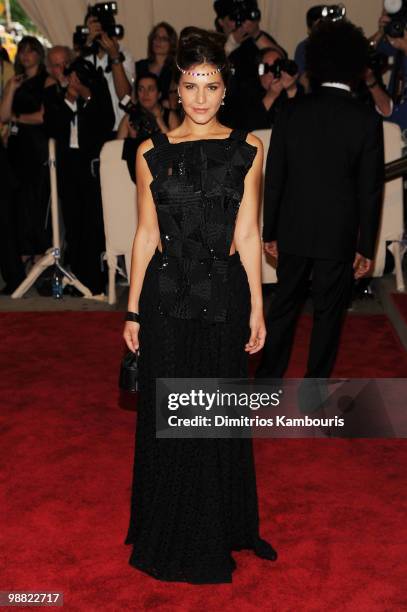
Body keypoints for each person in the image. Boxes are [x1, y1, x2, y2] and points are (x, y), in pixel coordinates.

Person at [123, 26, 277, 584]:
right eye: (191, 85)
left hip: (225, 296)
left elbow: (249, 229)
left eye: (211, 85)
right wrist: (133, 310)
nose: (202, 97)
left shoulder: (248, 149)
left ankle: (222, 525)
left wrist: (259, 307)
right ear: (176, 89)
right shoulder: (150, 152)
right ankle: (171, 525)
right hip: (165, 298)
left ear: (225, 89)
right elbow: (144, 236)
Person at [256, 19, 385, 380]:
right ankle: (316, 390)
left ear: (316, 62)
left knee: (284, 306)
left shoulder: (292, 111)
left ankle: (267, 382)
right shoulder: (365, 119)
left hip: (294, 228)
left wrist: (271, 230)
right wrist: (366, 246)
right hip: (338, 234)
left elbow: (275, 177)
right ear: (357, 65)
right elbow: (370, 190)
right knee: (329, 313)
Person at [43, 57, 115, 294]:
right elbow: (52, 126)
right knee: (73, 225)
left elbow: (104, 123)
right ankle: (76, 277)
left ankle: (93, 280)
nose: (72, 80)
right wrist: (69, 99)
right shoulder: (57, 98)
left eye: (77, 77)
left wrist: (85, 94)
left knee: (92, 226)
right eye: (71, 75)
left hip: (90, 168)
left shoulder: (96, 97)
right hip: (69, 169)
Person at [0, 36, 51, 267]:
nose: (25, 55)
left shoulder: (46, 81)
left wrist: (17, 118)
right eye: (22, 51)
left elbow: (43, 116)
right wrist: (10, 89)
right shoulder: (16, 81)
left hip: (36, 147)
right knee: (18, 204)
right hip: (16, 147)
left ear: (39, 54)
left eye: (30, 51)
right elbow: (2, 116)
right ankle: (24, 255)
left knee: (35, 203)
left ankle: (39, 254)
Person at [118, 73, 180, 183]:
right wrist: (133, 139)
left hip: (166, 176)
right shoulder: (129, 118)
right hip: (137, 176)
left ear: (159, 94)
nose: (145, 94)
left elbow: (177, 149)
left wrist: (159, 121)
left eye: (150, 89)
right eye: (141, 89)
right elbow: (116, 150)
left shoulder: (170, 116)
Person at [82, 6, 134, 132]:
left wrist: (114, 56)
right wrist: (86, 46)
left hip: (119, 128)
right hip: (90, 130)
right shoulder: (83, 57)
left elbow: (125, 97)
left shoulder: (123, 54)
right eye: (93, 26)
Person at [243, 47, 302, 131]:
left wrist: (291, 90)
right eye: (269, 68)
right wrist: (270, 97)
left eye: (278, 66)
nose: (274, 72)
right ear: (261, 70)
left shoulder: (294, 89)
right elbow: (250, 127)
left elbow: (300, 122)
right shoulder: (248, 92)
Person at [135, 22, 178, 102]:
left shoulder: (176, 70)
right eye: (156, 37)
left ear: (171, 43)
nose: (158, 41)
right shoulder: (140, 66)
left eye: (164, 39)